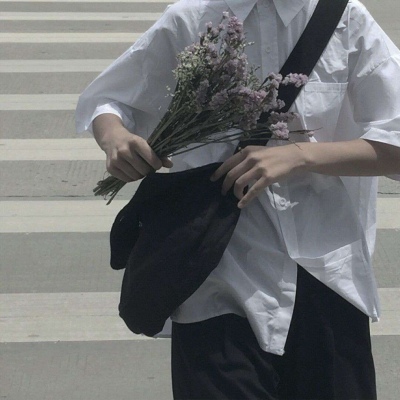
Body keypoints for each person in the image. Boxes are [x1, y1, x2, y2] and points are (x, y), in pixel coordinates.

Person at [75, 0, 400, 398]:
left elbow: (395, 142)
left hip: (327, 276)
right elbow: (110, 100)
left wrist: (300, 156)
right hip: (215, 273)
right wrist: (116, 139)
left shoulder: (346, 19)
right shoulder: (193, 19)